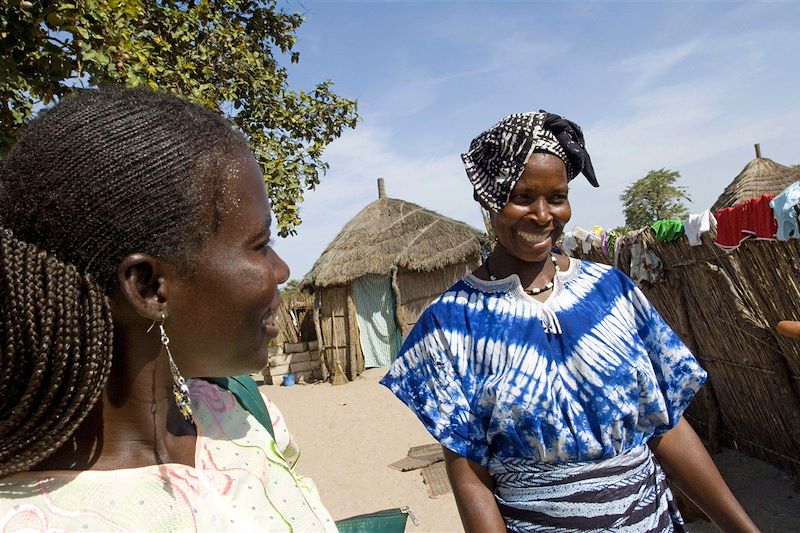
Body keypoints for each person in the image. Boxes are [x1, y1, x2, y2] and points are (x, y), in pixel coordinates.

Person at [381, 111, 758, 532]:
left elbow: (666, 425)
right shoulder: (450, 325)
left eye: (557, 197)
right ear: (486, 199)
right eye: (522, 197)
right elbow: (470, 475)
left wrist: (744, 529)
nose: (543, 215)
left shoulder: (611, 291)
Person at [0, 87, 337, 531]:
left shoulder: (240, 417)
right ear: (150, 287)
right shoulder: (33, 518)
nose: (281, 269)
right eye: (260, 245)